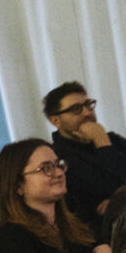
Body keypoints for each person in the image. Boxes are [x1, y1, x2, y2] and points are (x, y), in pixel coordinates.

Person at [44, 81, 126, 226]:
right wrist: (102, 144)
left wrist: (118, 201)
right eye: (76, 109)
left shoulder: (112, 140)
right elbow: (108, 186)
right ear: (56, 120)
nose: (88, 113)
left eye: (88, 105)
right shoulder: (56, 158)